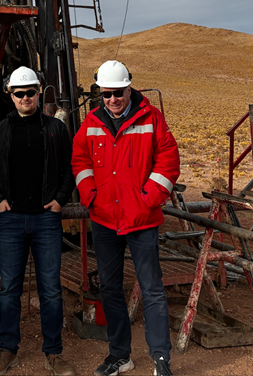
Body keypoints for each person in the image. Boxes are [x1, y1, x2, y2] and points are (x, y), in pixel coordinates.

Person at [72, 60, 180, 376]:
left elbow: (169, 161)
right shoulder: (92, 122)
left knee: (152, 289)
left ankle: (161, 359)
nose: (112, 100)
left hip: (141, 220)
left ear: (129, 89)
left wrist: (148, 200)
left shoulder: (151, 118)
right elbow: (80, 160)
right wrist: (90, 196)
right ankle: (120, 356)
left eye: (117, 93)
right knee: (110, 289)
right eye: (106, 94)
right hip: (105, 219)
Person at [0, 66, 75, 376]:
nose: (25, 97)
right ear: (10, 96)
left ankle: (53, 353)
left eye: (31, 92)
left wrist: (60, 199)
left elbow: (69, 168)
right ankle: (7, 350)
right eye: (19, 93)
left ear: (39, 93)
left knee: (50, 290)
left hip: (46, 220)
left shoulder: (55, 129)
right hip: (11, 220)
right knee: (9, 289)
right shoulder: (1, 131)